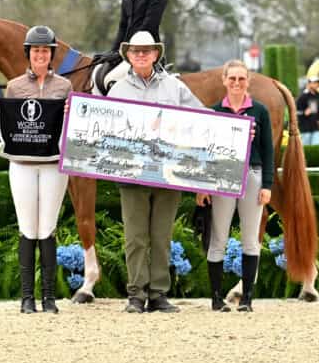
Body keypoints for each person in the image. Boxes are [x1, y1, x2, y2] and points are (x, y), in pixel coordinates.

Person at [108, 30, 204, 314]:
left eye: (146, 50)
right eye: (136, 51)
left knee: (162, 235)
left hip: (168, 171)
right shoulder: (117, 89)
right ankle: (136, 294)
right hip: (133, 173)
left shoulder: (175, 87)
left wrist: (234, 129)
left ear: (155, 54)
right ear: (128, 55)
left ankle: (159, 294)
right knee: (135, 236)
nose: (141, 55)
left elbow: (201, 117)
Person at [0, 25, 72, 315]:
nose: (40, 55)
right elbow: (6, 126)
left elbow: (70, 130)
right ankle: (27, 297)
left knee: (48, 228)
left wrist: (71, 114)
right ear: (28, 53)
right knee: (28, 228)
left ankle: (49, 298)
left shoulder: (64, 87)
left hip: (53, 164)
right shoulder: (15, 87)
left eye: (45, 50)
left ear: (51, 54)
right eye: (36, 50)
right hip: (23, 165)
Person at [197, 61, 273, 313]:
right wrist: (203, 186)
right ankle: (216, 298)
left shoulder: (260, 111)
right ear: (224, 80)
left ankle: (248, 298)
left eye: (241, 79)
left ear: (248, 81)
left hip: (252, 174)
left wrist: (268, 184)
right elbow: (206, 152)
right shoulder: (216, 111)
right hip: (223, 175)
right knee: (219, 237)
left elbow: (268, 150)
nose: (237, 83)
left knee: (250, 239)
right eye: (232, 79)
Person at [295, 77, 319, 147]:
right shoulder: (302, 96)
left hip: (315, 127)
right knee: (305, 149)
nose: (316, 85)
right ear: (309, 84)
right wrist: (304, 113)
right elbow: (296, 112)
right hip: (305, 128)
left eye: (317, 83)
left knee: (317, 147)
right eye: (314, 83)